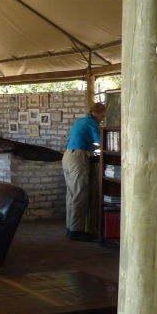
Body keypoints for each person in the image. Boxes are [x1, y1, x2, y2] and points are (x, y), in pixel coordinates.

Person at [62, 102, 107, 242]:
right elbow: (103, 142)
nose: (103, 118)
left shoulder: (80, 121)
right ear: (97, 113)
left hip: (68, 156)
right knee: (79, 193)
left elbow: (81, 140)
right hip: (78, 157)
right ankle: (76, 231)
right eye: (103, 115)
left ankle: (70, 227)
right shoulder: (92, 123)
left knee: (71, 194)